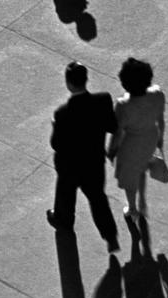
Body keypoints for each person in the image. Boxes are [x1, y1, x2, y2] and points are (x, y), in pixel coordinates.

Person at [47, 61, 120, 254]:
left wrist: (55, 125)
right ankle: (110, 235)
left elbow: (56, 144)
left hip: (69, 166)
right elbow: (112, 126)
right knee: (98, 199)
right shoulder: (103, 100)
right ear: (86, 80)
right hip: (93, 163)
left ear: (68, 83)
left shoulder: (62, 113)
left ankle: (64, 221)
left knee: (65, 195)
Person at [108, 58, 165, 222]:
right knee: (142, 167)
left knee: (129, 177)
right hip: (150, 137)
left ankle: (132, 208)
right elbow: (160, 120)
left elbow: (118, 133)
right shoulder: (158, 94)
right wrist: (160, 139)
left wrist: (111, 150)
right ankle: (142, 201)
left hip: (131, 145)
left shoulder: (123, 105)